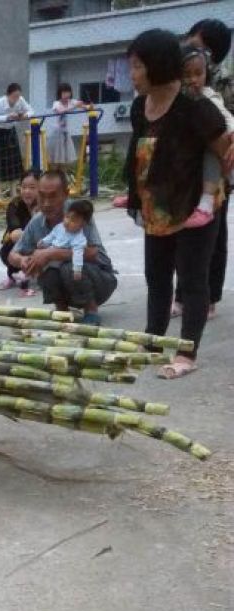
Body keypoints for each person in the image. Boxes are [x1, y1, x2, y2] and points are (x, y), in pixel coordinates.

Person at [122, 29, 232, 379]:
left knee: (192, 279)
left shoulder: (194, 105)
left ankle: (187, 353)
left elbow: (223, 150)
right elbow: (138, 152)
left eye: (137, 66)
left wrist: (212, 193)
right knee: (157, 276)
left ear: (156, 65)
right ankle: (153, 341)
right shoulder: (142, 105)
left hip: (194, 207)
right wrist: (135, 196)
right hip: (159, 205)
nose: (132, 74)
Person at [174, 20, 234, 319]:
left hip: (216, 162)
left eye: (196, 42)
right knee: (182, 231)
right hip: (186, 166)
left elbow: (226, 122)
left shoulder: (220, 84)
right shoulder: (178, 73)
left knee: (213, 233)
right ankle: (182, 295)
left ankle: (208, 296)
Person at [8, 170, 117, 324]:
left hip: (99, 279)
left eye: (52, 196)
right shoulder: (37, 221)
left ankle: (90, 309)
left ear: (65, 194)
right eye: (42, 196)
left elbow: (93, 253)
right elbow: (12, 255)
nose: (46, 203)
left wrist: (51, 253)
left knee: (68, 265)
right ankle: (62, 309)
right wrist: (23, 261)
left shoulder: (79, 213)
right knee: (45, 267)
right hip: (69, 284)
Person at [37, 198, 98, 318]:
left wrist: (77, 269)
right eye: (67, 217)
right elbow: (51, 236)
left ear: (83, 224)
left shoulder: (78, 238)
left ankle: (90, 310)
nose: (68, 222)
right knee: (49, 278)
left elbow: (78, 254)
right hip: (54, 264)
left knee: (70, 272)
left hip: (67, 265)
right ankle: (61, 309)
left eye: (74, 220)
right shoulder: (59, 227)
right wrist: (43, 242)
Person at [0, 168, 38, 294]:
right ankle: (14, 274)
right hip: (20, 246)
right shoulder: (14, 205)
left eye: (32, 187)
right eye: (24, 187)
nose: (27, 191)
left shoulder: (46, 204)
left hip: (43, 247)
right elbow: (15, 234)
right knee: (11, 245)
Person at [0, 83, 31, 185]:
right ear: (8, 95)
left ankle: (13, 193)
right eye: (14, 96)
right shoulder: (1, 101)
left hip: (11, 132)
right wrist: (7, 117)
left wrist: (25, 115)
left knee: (14, 165)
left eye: (18, 96)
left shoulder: (21, 100)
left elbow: (31, 111)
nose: (16, 99)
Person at [46, 83, 87, 167]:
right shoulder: (56, 103)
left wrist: (89, 106)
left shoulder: (71, 102)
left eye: (68, 92)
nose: (66, 95)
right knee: (55, 159)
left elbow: (82, 105)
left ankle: (62, 175)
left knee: (65, 159)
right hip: (56, 133)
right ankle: (55, 174)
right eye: (64, 93)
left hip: (65, 133)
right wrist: (74, 106)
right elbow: (61, 111)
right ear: (60, 94)